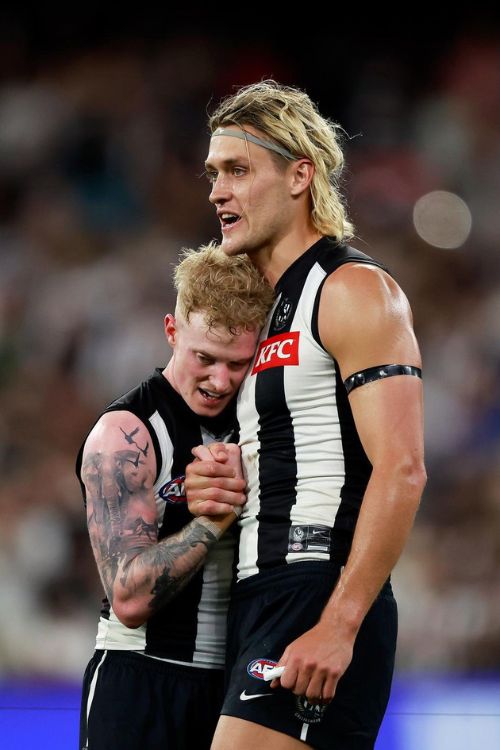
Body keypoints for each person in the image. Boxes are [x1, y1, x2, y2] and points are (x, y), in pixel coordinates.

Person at [185, 81, 427, 750]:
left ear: (300, 174)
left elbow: (402, 469)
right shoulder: (257, 310)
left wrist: (340, 622)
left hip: (317, 593)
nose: (217, 191)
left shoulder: (353, 289)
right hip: (255, 597)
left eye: (238, 169)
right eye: (212, 173)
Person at [76, 241, 274, 750]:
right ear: (172, 331)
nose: (220, 380)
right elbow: (128, 597)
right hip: (139, 680)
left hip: (234, 688)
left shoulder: (263, 424)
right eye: (205, 358)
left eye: (238, 364)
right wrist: (211, 521)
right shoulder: (125, 435)